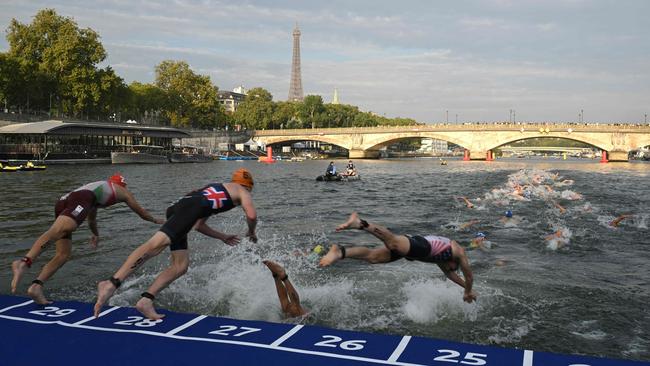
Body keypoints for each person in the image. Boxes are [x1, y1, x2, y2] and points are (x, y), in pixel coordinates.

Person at [93, 168, 258, 320]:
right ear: (248, 186)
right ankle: (111, 283)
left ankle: (146, 301)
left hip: (179, 207)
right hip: (190, 209)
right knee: (154, 246)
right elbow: (251, 215)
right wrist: (251, 232)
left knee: (180, 265)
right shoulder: (242, 191)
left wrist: (222, 236)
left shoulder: (217, 188)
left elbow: (197, 225)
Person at [10, 174, 164, 304]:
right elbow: (141, 212)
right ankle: (25, 262)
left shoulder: (96, 192)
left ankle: (36, 286)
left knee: (63, 254)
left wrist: (95, 234)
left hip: (64, 201)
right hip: (78, 199)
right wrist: (156, 220)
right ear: (121, 185)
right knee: (62, 229)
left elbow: (91, 220)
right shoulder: (121, 191)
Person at [319, 212, 476, 303]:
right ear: (453, 262)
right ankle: (360, 223)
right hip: (421, 245)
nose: (450, 270)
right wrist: (468, 290)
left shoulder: (444, 261)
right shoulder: (458, 252)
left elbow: (452, 276)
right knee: (393, 243)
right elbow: (469, 276)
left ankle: (340, 252)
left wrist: (467, 290)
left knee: (373, 257)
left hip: (415, 250)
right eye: (453, 268)